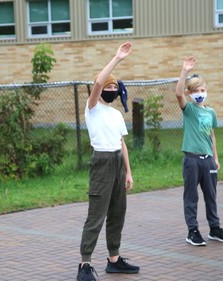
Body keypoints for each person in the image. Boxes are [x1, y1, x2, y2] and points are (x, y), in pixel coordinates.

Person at [76, 42, 140, 281]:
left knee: (117, 212)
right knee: (96, 215)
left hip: (118, 164)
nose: (111, 88)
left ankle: (114, 260)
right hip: (101, 162)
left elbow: (122, 143)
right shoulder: (92, 108)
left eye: (115, 85)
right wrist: (117, 58)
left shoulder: (115, 114)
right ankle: (85, 264)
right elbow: (98, 83)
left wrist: (129, 172)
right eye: (109, 85)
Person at [175, 56, 223, 246]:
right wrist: (184, 70)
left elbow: (212, 136)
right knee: (191, 196)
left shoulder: (211, 112)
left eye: (203, 90)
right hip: (191, 160)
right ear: (190, 93)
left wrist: (216, 158)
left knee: (211, 196)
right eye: (196, 91)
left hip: (208, 160)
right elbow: (177, 94)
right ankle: (193, 231)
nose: (200, 93)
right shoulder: (189, 109)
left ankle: (214, 229)